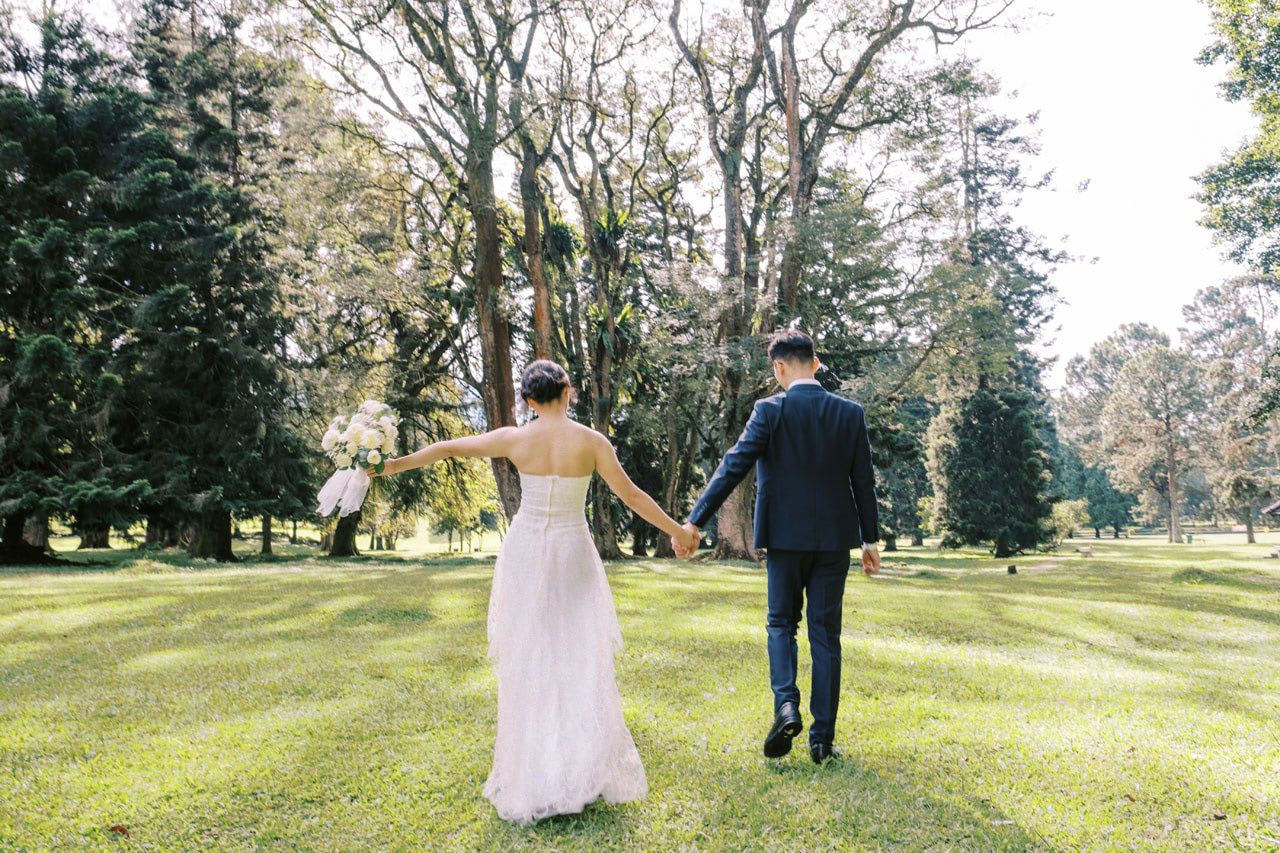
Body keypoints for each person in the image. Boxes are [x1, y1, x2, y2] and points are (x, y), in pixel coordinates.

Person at [371, 360, 699, 824]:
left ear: (528, 400)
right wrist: (678, 532)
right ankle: (575, 769)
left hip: (526, 551)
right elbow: (632, 497)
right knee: (577, 654)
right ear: (568, 393)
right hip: (571, 552)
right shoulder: (591, 442)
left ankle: (537, 772)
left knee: (530, 657)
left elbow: (446, 448)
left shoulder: (514, 439)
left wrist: (387, 467)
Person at [673, 329, 881, 764]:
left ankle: (786, 704)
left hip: (783, 542)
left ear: (779, 367)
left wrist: (694, 520)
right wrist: (870, 540)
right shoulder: (850, 413)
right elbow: (863, 480)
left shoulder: (768, 411)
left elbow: (733, 467)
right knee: (826, 636)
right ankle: (822, 742)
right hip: (833, 545)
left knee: (780, 624)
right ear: (816, 364)